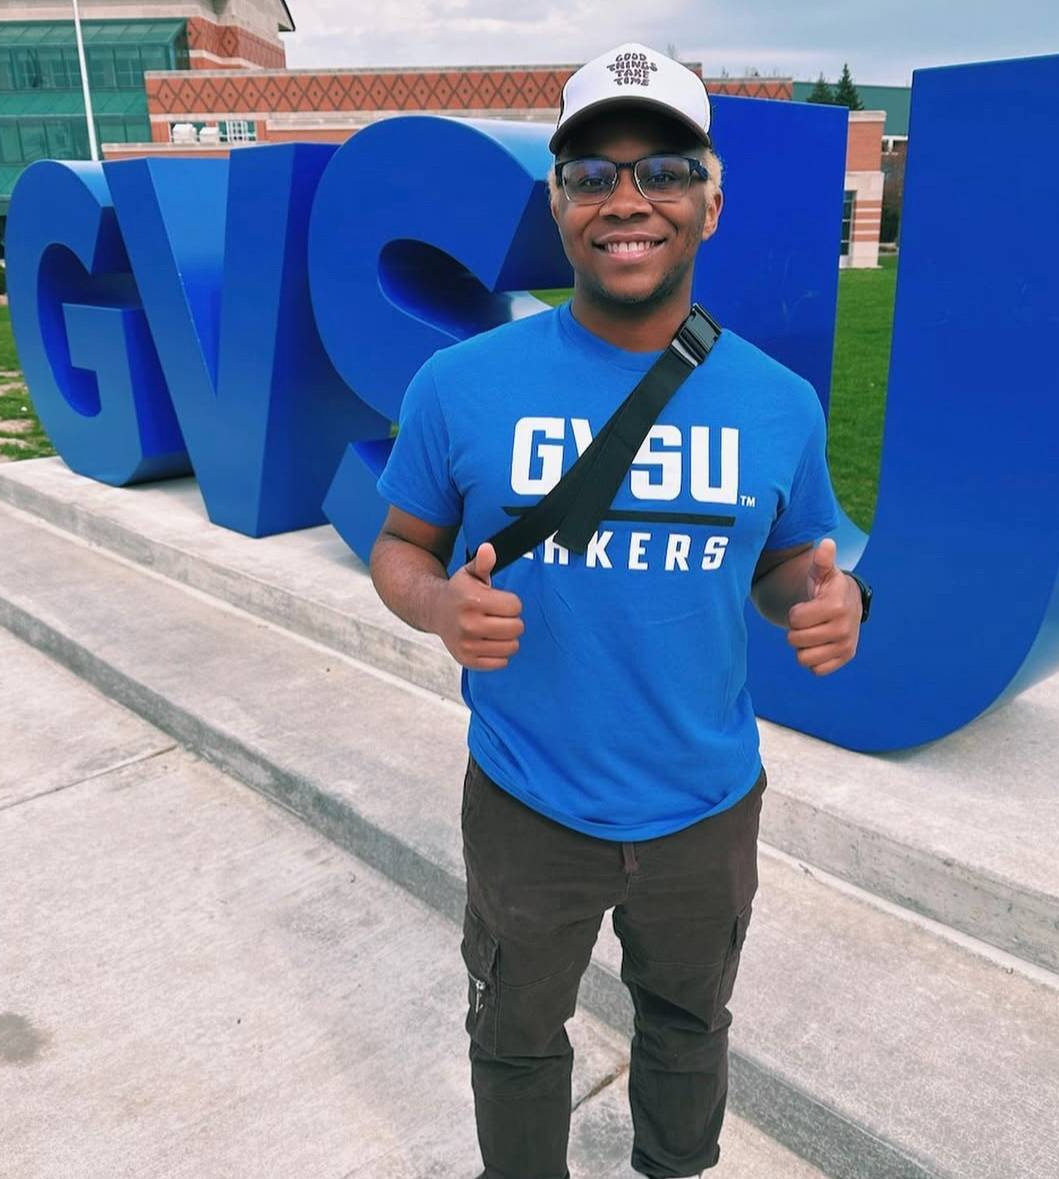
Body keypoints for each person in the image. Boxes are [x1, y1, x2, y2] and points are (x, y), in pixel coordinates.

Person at [369, 41, 868, 1179]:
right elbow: (403, 548)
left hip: (705, 805)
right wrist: (440, 605)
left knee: (690, 1029)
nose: (627, 200)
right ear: (557, 202)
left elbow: (793, 558)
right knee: (514, 1035)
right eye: (592, 173)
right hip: (529, 802)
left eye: (665, 171)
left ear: (711, 201)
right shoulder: (462, 383)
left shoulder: (776, 403)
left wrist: (829, 602)